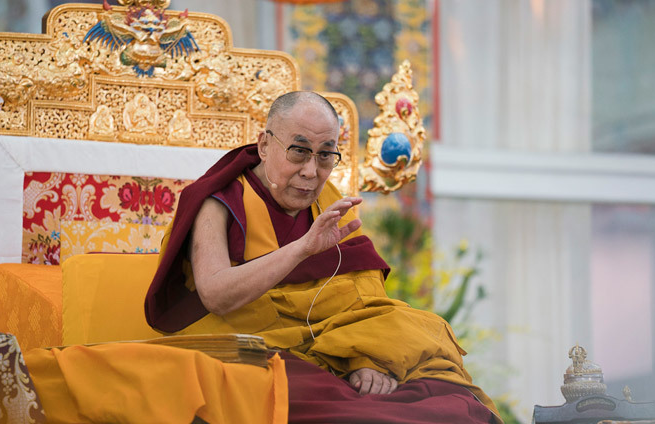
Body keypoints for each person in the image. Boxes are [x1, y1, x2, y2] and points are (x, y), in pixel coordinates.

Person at [145, 91, 501, 423]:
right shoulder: (218, 202)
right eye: (298, 151)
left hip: (337, 354)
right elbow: (215, 295)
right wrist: (302, 249)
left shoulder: (329, 202)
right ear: (265, 144)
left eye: (325, 154)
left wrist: (368, 358)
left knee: (451, 403)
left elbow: (366, 305)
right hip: (255, 350)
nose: (311, 172)